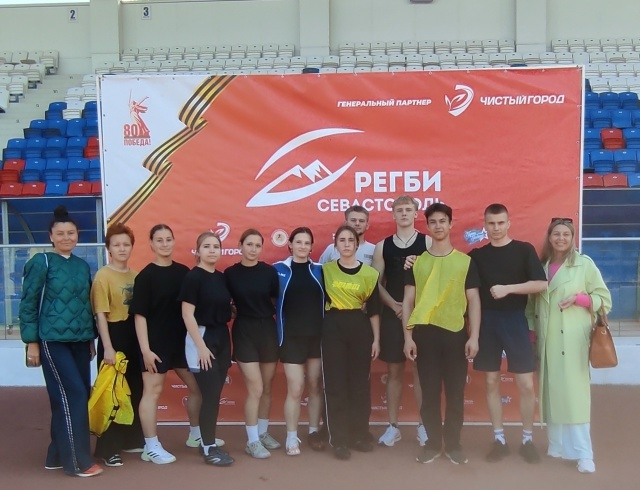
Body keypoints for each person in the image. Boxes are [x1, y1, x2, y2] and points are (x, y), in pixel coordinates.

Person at [19, 205, 103, 477]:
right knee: (73, 394)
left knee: (71, 396)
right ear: (51, 236)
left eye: (71, 233)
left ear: (78, 235)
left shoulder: (81, 265)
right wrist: (32, 342)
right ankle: (78, 462)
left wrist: (90, 339)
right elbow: (28, 303)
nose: (66, 237)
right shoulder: (41, 262)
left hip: (80, 341)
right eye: (61, 233)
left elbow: (85, 305)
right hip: (52, 340)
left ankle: (56, 455)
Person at [526, 218, 611, 474]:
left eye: (566, 234)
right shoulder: (540, 267)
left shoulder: (584, 264)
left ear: (573, 238)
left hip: (573, 338)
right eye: (556, 234)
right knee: (553, 392)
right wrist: (532, 335)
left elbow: (604, 299)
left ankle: (585, 454)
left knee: (575, 397)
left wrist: (580, 299)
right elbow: (531, 306)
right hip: (547, 340)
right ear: (549, 237)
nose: (561, 238)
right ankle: (559, 445)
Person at [469, 204, 548, 464]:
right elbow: (468, 292)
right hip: (487, 322)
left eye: (501, 223)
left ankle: (527, 439)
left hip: (515, 320)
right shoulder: (477, 256)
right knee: (491, 382)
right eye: (491, 223)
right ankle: (499, 439)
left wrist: (508, 289)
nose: (496, 228)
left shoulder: (524, 250)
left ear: (508, 223)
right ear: (485, 225)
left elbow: (541, 284)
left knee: (526, 384)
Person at [402, 203, 481, 465]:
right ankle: (433, 444)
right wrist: (408, 337)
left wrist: (474, 336)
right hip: (425, 335)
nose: (438, 226)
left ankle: (454, 445)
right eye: (433, 222)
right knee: (429, 394)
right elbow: (408, 301)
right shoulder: (417, 263)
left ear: (451, 224)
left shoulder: (465, 262)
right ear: (427, 226)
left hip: (456, 335)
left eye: (442, 221)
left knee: (456, 393)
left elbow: (474, 300)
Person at [130, 224, 207, 464]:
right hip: (155, 345)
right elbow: (139, 316)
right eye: (159, 240)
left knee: (199, 388)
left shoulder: (184, 272)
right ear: (151, 244)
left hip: (182, 344)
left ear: (174, 241)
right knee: (151, 392)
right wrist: (145, 350)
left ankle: (195, 435)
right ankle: (151, 447)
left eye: (168, 239)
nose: (164, 244)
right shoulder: (145, 276)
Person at [372, 195, 431, 448]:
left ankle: (424, 426)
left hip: (421, 316)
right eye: (400, 210)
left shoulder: (428, 242)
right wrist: (395, 306)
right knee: (394, 372)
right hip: (392, 314)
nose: (404, 213)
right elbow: (375, 283)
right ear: (393, 214)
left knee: (421, 371)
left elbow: (433, 280)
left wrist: (413, 308)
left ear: (416, 214)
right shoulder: (382, 246)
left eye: (408, 209)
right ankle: (393, 426)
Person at [322, 225, 381, 460]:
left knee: (359, 385)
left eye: (350, 240)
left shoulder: (370, 274)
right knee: (335, 384)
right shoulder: (325, 271)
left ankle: (359, 434)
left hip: (359, 326)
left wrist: (376, 339)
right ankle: (339, 439)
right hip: (333, 326)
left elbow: (374, 310)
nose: (346, 244)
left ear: (357, 244)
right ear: (335, 245)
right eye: (342, 240)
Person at [179, 232, 235, 466]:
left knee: (214, 395)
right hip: (202, 339)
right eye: (207, 246)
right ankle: (208, 447)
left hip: (221, 337)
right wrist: (201, 347)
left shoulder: (221, 278)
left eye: (216, 246)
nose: (212, 250)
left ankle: (208, 441)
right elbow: (187, 314)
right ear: (198, 251)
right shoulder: (193, 277)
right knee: (210, 395)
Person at [224, 229, 281, 459]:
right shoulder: (230, 274)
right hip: (244, 332)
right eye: (249, 244)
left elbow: (276, 300)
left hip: (267, 330)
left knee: (266, 387)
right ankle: (252, 441)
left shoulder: (269, 272)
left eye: (258, 245)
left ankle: (263, 432)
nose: (253, 249)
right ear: (240, 245)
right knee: (255, 388)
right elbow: (221, 300)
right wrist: (231, 310)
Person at [91, 223, 144, 467]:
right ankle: (107, 449)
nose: (122, 249)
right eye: (117, 245)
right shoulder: (103, 276)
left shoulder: (136, 276)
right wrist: (108, 347)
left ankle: (130, 439)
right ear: (109, 248)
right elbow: (101, 315)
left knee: (133, 389)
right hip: (113, 335)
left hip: (134, 336)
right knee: (112, 394)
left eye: (126, 244)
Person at [274, 227, 325, 455]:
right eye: (298, 242)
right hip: (291, 339)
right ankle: (291, 436)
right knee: (295, 389)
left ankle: (313, 431)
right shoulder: (278, 270)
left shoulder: (321, 270)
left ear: (312, 247)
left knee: (315, 386)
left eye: (307, 243)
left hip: (317, 338)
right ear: (290, 245)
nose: (303, 246)